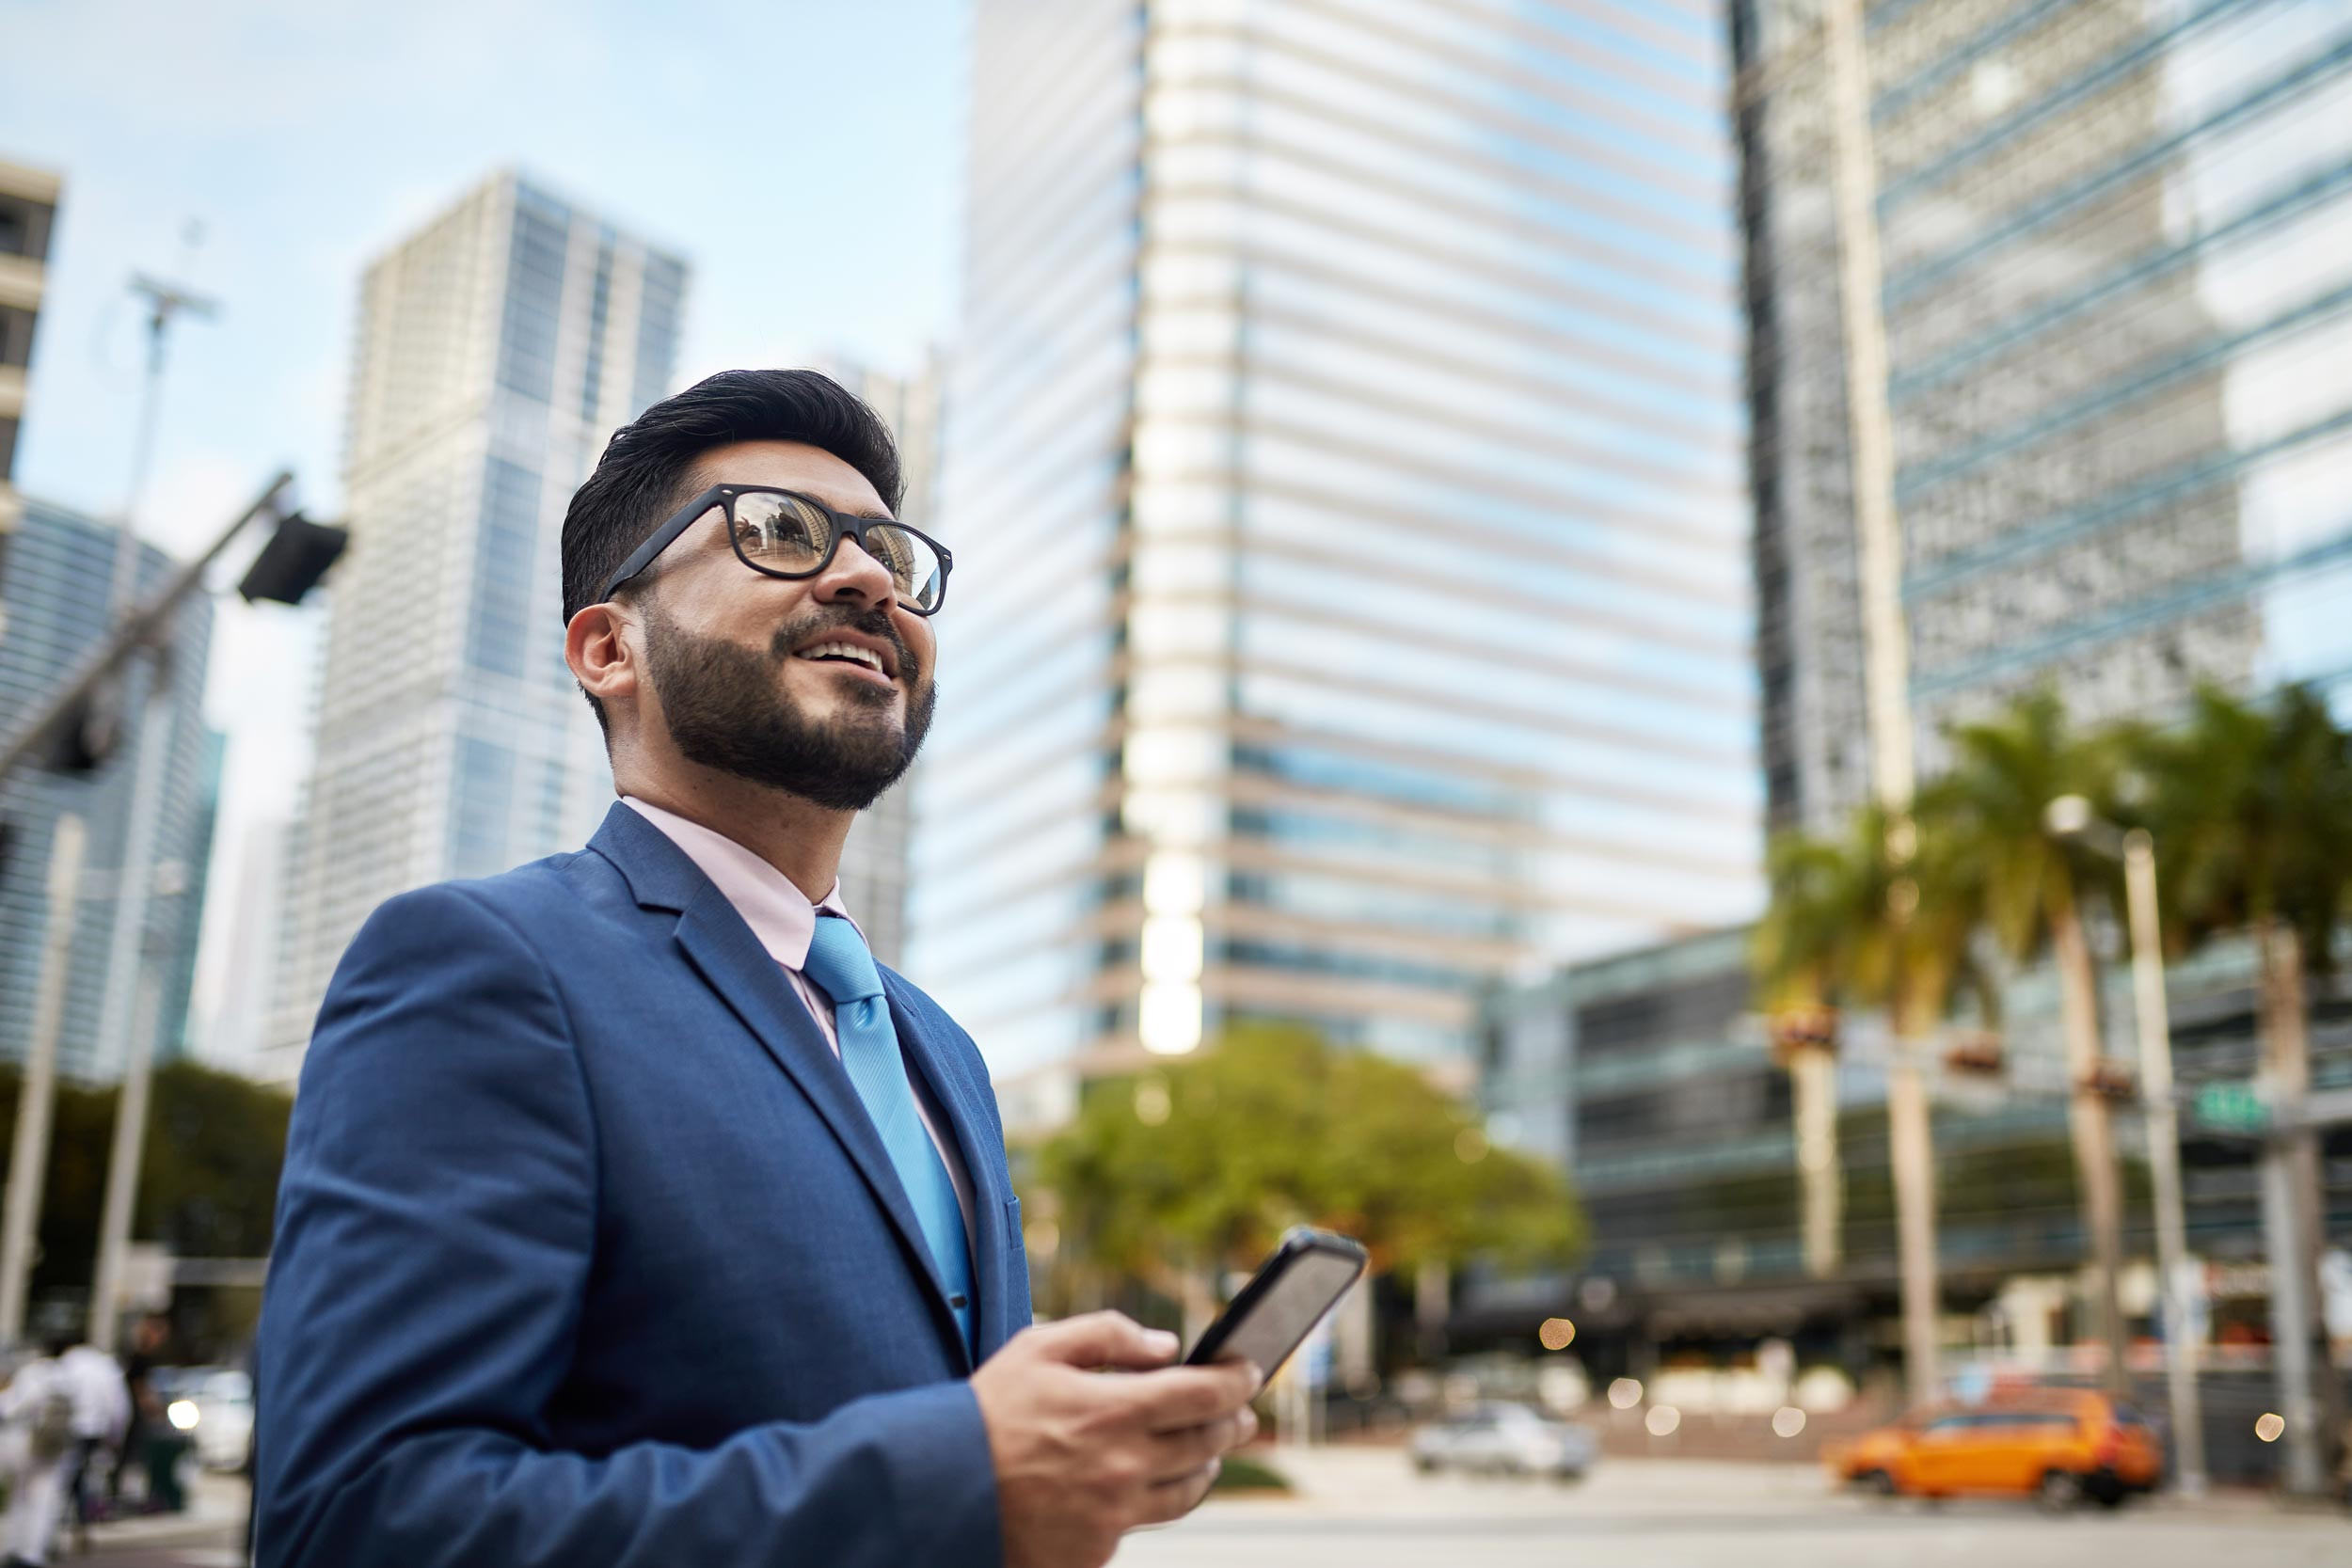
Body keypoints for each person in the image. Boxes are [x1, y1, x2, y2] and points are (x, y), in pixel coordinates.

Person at [256, 370, 1262, 1568]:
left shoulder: (940, 1046)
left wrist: (1074, 1455)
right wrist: (958, 1470)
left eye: (890, 550)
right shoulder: (486, 968)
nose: (871, 579)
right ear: (607, 648)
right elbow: (358, 1524)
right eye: (778, 531)